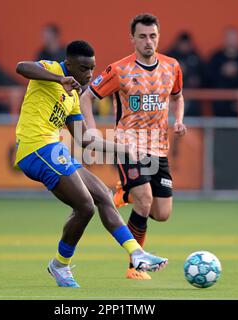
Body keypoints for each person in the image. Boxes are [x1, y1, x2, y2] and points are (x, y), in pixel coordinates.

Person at [14, 40, 168, 288]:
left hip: (54, 150)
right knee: (85, 206)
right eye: (84, 68)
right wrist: (58, 80)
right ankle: (60, 265)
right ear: (69, 63)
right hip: (35, 148)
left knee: (103, 195)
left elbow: (84, 138)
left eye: (92, 68)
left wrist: (125, 150)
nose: (89, 74)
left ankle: (137, 254)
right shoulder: (51, 70)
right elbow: (21, 67)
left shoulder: (73, 96)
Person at [80, 14, 187, 280]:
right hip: (128, 146)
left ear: (159, 36)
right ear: (133, 39)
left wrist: (179, 120)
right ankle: (135, 265)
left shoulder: (172, 67)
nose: (148, 41)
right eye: (142, 36)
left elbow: (178, 96)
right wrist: (91, 130)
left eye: (152, 36)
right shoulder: (119, 70)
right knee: (145, 200)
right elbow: (86, 97)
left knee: (162, 214)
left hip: (159, 147)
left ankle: (125, 193)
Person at [207, 27, 238, 117]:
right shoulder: (216, 57)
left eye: (234, 39)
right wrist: (223, 72)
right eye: (230, 39)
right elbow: (208, 78)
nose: (232, 42)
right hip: (220, 105)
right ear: (225, 40)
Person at [165, 31, 205, 116]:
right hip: (172, 97)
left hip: (191, 98)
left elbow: (203, 76)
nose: (184, 46)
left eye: (186, 44)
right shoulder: (170, 56)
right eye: (182, 43)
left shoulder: (195, 56)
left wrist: (194, 78)